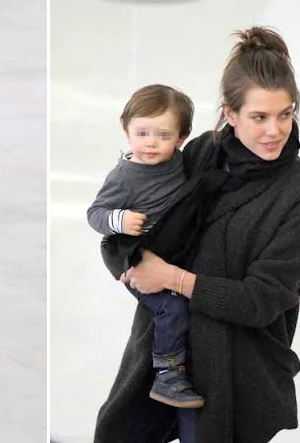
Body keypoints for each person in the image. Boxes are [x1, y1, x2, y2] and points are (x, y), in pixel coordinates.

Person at [94, 26, 300, 443]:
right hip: (164, 357)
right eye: (259, 117)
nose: (275, 130)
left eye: (285, 113)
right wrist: (131, 267)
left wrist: (172, 279)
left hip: (236, 372)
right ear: (230, 112)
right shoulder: (202, 153)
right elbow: (126, 228)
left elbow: (262, 301)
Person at [87, 84, 204, 408]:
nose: (151, 142)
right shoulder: (125, 175)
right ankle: (167, 374)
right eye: (141, 133)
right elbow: (95, 214)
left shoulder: (181, 161)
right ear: (126, 131)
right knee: (171, 306)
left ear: (181, 138)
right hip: (129, 252)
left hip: (168, 248)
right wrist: (120, 219)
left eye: (163, 135)